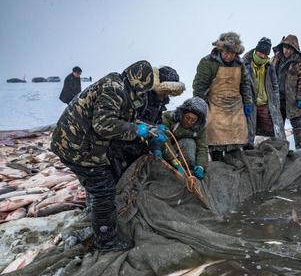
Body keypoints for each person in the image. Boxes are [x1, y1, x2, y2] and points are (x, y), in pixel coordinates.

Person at [51, 60, 165, 252]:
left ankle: (95, 213)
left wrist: (150, 128)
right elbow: (104, 125)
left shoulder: (121, 86)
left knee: (102, 183)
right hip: (77, 146)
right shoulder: (114, 89)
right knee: (104, 190)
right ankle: (106, 241)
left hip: (82, 142)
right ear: (137, 84)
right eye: (142, 90)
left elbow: (119, 117)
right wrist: (137, 130)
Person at [107, 66, 185, 178]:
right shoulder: (142, 97)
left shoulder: (160, 103)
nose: (167, 95)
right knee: (120, 176)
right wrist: (147, 128)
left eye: (170, 92)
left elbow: (156, 123)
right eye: (165, 91)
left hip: (139, 144)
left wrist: (157, 137)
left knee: (137, 174)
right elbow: (129, 119)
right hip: (121, 144)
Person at [192, 32, 253, 162]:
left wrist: (248, 102)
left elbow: (245, 84)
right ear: (220, 49)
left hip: (235, 106)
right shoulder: (208, 62)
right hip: (215, 105)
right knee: (216, 142)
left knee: (236, 141)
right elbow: (199, 87)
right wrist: (201, 106)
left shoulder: (239, 64)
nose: (229, 56)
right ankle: (217, 161)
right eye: (226, 52)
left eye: (232, 53)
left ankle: (234, 164)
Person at [241, 37, 285, 149]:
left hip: (265, 103)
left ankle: (279, 146)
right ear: (256, 50)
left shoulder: (269, 66)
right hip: (250, 103)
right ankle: (248, 148)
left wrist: (276, 102)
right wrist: (245, 101)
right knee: (248, 128)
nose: (261, 56)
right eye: (260, 53)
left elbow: (275, 85)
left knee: (273, 127)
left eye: (264, 54)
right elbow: (240, 84)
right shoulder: (244, 63)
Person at [272, 35, 301, 149]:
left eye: (289, 48)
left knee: (297, 124)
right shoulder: (276, 58)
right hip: (278, 98)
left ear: (294, 49)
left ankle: (300, 147)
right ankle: (280, 148)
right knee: (278, 125)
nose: (286, 50)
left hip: (293, 99)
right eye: (285, 47)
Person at [162, 97, 208, 180]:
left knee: (190, 143)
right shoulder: (169, 117)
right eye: (187, 117)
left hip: (186, 157)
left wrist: (201, 166)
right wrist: (174, 161)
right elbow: (165, 141)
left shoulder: (200, 128)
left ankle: (188, 171)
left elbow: (202, 148)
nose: (189, 122)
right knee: (187, 142)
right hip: (168, 153)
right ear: (182, 114)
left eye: (193, 120)